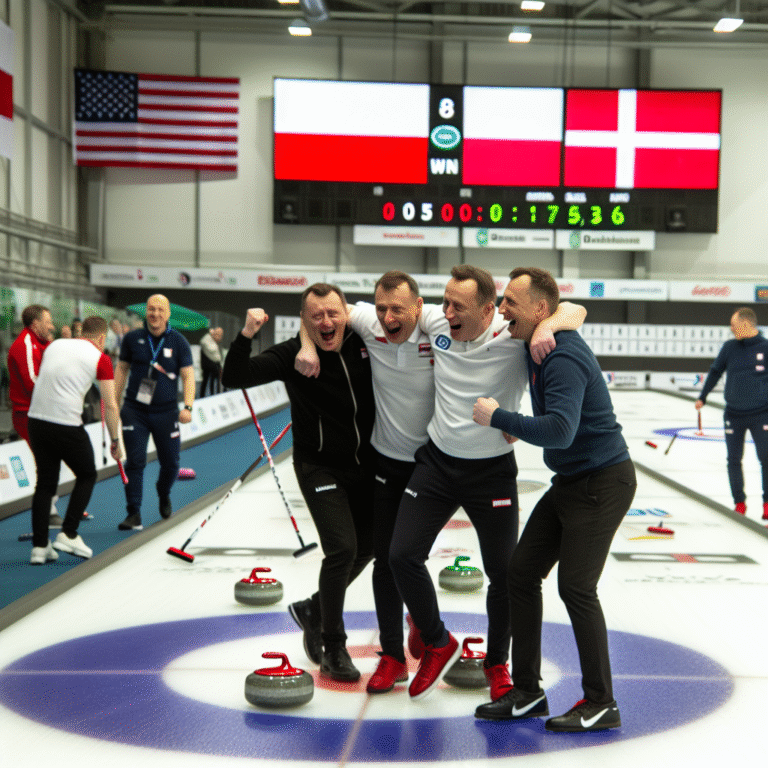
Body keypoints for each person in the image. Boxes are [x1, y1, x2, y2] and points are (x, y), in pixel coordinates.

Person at [388, 264, 586, 702]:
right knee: (401, 555)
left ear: (488, 310)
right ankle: (437, 641)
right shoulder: (436, 320)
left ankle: (497, 663)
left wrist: (546, 327)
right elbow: (357, 311)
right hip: (437, 463)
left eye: (457, 306)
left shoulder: (513, 333)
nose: (446, 312)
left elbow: (575, 310)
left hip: (491, 471)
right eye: (445, 302)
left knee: (504, 574)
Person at [471, 266, 636, 732]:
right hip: (570, 482)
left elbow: (561, 431)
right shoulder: (537, 337)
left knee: (576, 587)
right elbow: (571, 308)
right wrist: (550, 323)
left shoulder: (560, 355)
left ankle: (601, 702)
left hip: (602, 482)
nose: (502, 309)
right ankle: (527, 693)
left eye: (511, 302)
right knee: (521, 573)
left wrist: (501, 417)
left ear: (540, 309)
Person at [222, 283, 376, 683]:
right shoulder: (293, 354)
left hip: (365, 464)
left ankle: (313, 608)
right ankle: (333, 646)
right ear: (304, 320)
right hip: (318, 466)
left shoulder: (366, 340)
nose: (326, 322)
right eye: (316, 316)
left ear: (346, 313)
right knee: (342, 549)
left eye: (333, 314)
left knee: (370, 545)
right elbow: (233, 376)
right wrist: (247, 334)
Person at [295, 271, 436, 693]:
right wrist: (306, 344)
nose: (388, 317)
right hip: (384, 462)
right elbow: (318, 313)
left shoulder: (439, 324)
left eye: (398, 309)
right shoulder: (366, 320)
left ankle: (415, 620)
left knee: (405, 555)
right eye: (382, 308)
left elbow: (561, 313)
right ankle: (393, 653)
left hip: (431, 464)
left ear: (418, 307)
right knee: (381, 555)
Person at [26, 316, 123, 564]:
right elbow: (110, 405)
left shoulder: (56, 345)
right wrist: (115, 440)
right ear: (101, 338)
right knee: (87, 474)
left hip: (36, 421)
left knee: (45, 483)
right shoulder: (101, 358)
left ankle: (39, 547)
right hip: (66, 424)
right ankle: (68, 533)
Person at [114, 294, 195, 530]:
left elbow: (188, 376)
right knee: (135, 462)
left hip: (167, 412)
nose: (155, 314)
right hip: (135, 410)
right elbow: (121, 370)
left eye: (160, 310)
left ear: (168, 314)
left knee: (171, 464)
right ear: (145, 312)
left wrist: (188, 406)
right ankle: (133, 513)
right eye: (151, 309)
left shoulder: (179, 341)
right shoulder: (132, 338)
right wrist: (113, 403)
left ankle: (163, 491)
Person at [695, 307, 768, 519]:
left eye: (734, 325)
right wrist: (703, 396)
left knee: (766, 458)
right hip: (733, 415)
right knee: (734, 459)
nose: (731, 328)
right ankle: (739, 503)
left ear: (746, 324)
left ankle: (767, 504)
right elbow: (715, 371)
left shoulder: (766, 347)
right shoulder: (729, 347)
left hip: (761, 414)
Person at [7, 305, 63, 524]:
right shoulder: (25, 345)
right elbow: (32, 382)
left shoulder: (42, 343)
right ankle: (47, 511)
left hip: (42, 411)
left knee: (51, 458)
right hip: (28, 415)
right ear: (35, 324)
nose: (52, 326)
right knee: (47, 460)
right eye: (47, 322)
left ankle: (49, 506)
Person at [199, 326, 223, 397]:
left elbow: (217, 356)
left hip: (214, 365)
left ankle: (214, 394)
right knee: (207, 382)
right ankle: (205, 396)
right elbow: (212, 350)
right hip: (209, 365)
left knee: (213, 382)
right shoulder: (207, 339)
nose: (219, 337)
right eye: (218, 334)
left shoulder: (213, 342)